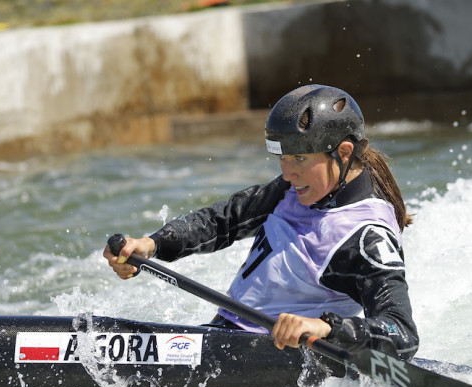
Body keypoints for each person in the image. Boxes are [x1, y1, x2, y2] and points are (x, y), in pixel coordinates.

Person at [103, 84, 418, 361]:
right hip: (229, 338)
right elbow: (225, 220)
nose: (286, 173)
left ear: (344, 152)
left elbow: (401, 331)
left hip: (281, 361)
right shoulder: (297, 189)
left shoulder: (369, 237)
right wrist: (152, 244)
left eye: (298, 159)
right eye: (282, 158)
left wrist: (327, 327)